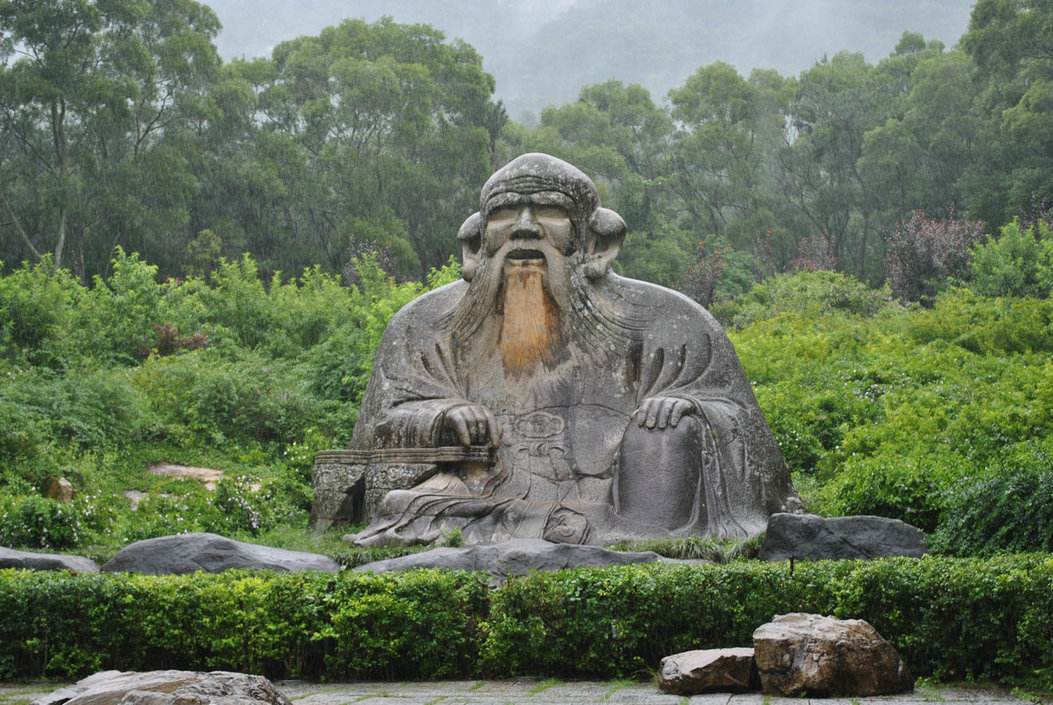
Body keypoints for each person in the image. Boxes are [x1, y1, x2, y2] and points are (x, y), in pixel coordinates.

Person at [350, 153, 797, 546]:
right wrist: (442, 416)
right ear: (476, 244)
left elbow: (747, 434)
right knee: (407, 507)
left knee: (671, 429)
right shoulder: (424, 324)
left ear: (596, 243)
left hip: (614, 505)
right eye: (505, 214)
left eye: (550, 212)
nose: (525, 228)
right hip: (484, 496)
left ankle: (634, 539)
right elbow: (375, 431)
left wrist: (688, 408)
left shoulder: (669, 321)